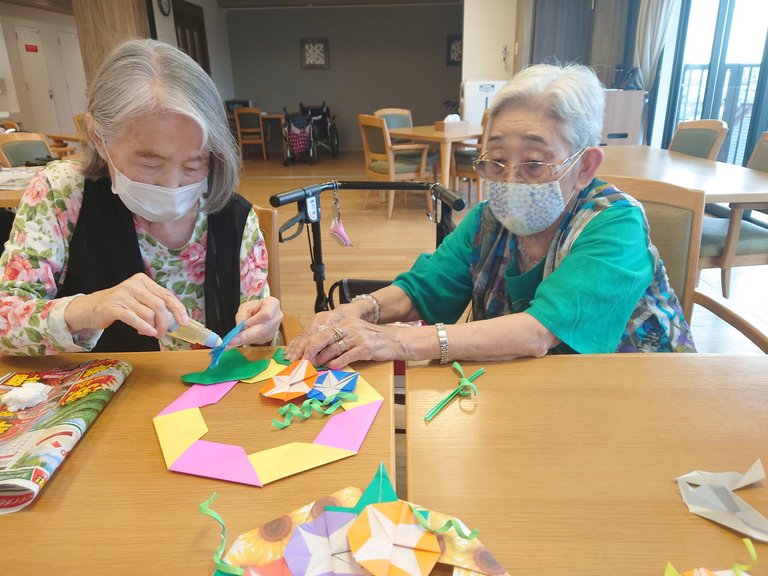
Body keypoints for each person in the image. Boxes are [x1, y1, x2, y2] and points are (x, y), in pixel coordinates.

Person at [285, 63, 696, 369]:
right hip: (529, 393)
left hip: (634, 398)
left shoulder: (615, 225)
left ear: (585, 167)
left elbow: (538, 332)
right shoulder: (489, 220)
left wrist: (396, 341)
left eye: (534, 163)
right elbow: (425, 286)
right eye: (497, 160)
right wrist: (360, 310)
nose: (511, 180)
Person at [0, 39, 282, 355]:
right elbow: (5, 320)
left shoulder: (234, 216)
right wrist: (86, 309)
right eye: (150, 163)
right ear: (98, 136)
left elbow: (258, 340)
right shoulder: (64, 194)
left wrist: (264, 330)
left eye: (194, 163)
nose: (172, 185)